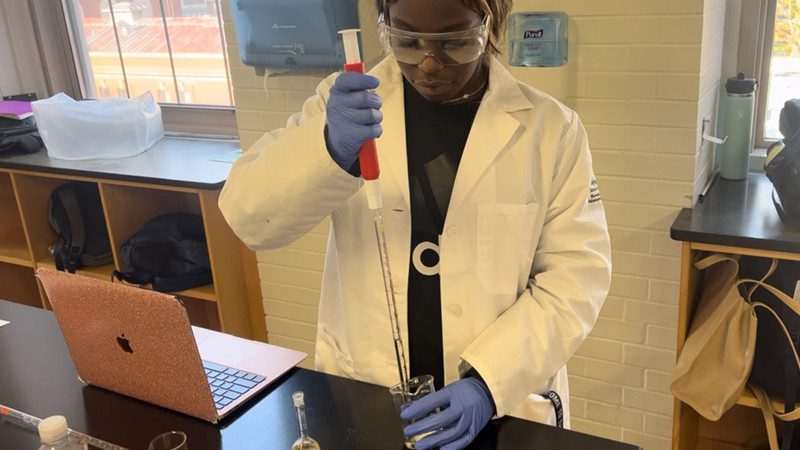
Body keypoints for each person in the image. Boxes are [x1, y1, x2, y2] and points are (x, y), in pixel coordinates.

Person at [219, 0, 611, 448]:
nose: (428, 63)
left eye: (454, 43)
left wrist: (488, 383)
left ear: (491, 25)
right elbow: (250, 219)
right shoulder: (342, 103)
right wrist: (326, 148)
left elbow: (576, 279)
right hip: (366, 393)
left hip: (499, 404)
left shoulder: (552, 130)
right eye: (405, 41)